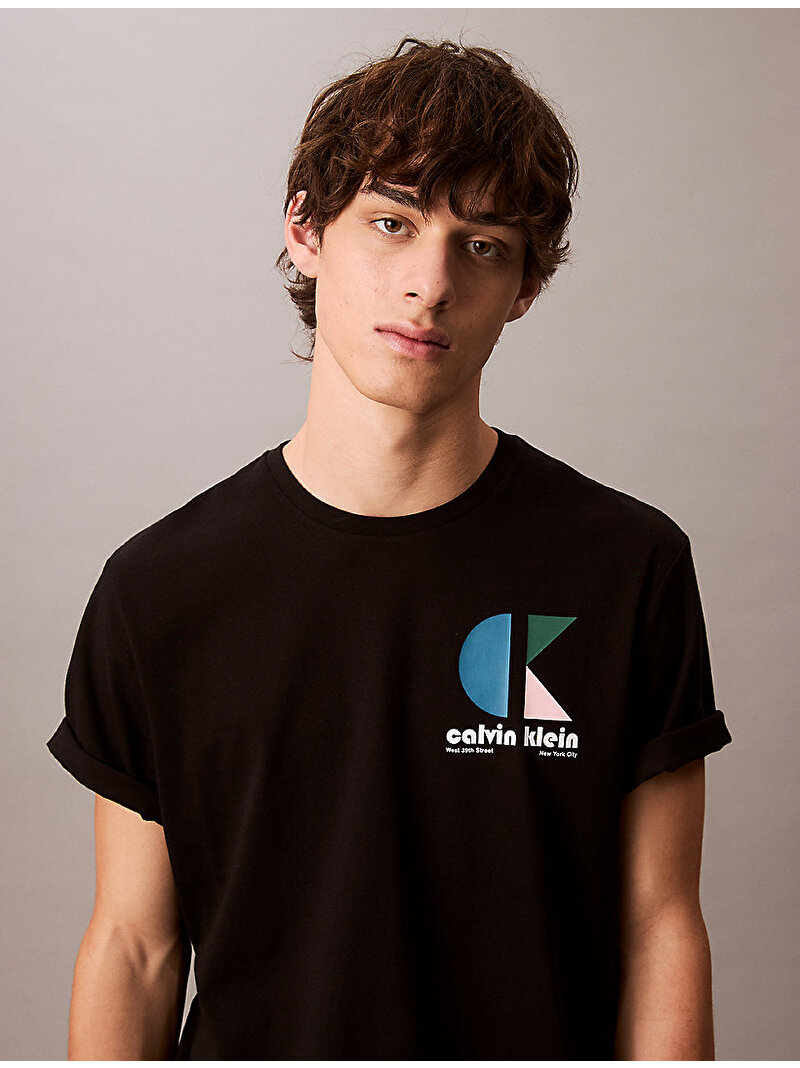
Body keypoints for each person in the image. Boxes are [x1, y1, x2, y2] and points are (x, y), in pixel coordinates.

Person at [46, 35, 732, 1059]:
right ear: (305, 231)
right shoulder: (159, 591)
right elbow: (135, 947)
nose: (430, 283)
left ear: (525, 287)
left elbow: (659, 928)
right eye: (391, 222)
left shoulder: (625, 567)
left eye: (482, 245)